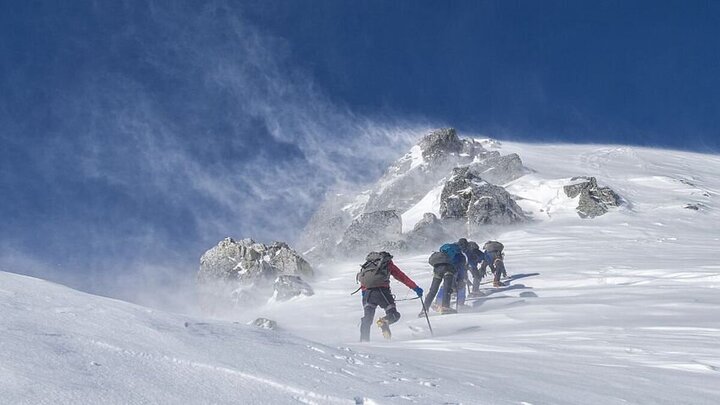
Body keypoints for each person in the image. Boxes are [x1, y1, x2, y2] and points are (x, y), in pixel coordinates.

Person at [357, 251, 422, 341]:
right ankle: (384, 321)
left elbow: (363, 283)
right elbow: (401, 277)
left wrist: (364, 298)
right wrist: (416, 288)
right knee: (394, 314)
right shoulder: (387, 263)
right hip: (382, 292)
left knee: (367, 319)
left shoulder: (367, 265)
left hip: (367, 294)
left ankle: (364, 342)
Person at [419, 250, 456, 317]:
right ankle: (445, 307)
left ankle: (424, 310)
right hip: (448, 269)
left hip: (437, 269)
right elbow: (450, 285)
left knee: (432, 291)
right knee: (447, 289)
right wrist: (453, 288)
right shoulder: (456, 256)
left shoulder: (441, 256)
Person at [433, 242, 467, 312]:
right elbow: (461, 268)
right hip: (454, 271)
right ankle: (460, 304)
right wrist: (462, 278)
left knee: (444, 285)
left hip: (443, 269)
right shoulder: (461, 256)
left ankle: (438, 302)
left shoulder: (448, 252)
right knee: (461, 285)